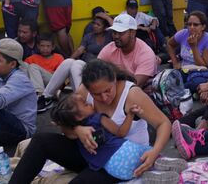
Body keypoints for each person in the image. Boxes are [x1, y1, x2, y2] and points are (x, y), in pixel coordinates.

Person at [10, 60, 172, 183]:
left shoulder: (132, 94)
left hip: (119, 162)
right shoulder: (83, 93)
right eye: (97, 94)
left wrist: (154, 152)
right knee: (40, 141)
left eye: (107, 91)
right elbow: (64, 123)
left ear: (114, 79)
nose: (104, 98)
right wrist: (78, 129)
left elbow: (163, 123)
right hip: (90, 153)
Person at [49, 94, 153, 182]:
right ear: (78, 117)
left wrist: (68, 125)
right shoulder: (98, 118)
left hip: (115, 170)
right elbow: (120, 132)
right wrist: (130, 115)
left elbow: (66, 132)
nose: (90, 104)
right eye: (86, 104)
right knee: (146, 156)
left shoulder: (73, 133)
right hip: (126, 151)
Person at [97, 14, 158, 88]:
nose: (116, 36)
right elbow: (95, 69)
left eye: (121, 33)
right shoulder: (110, 47)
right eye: (114, 32)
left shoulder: (146, 53)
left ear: (133, 33)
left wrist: (116, 71)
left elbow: (135, 84)